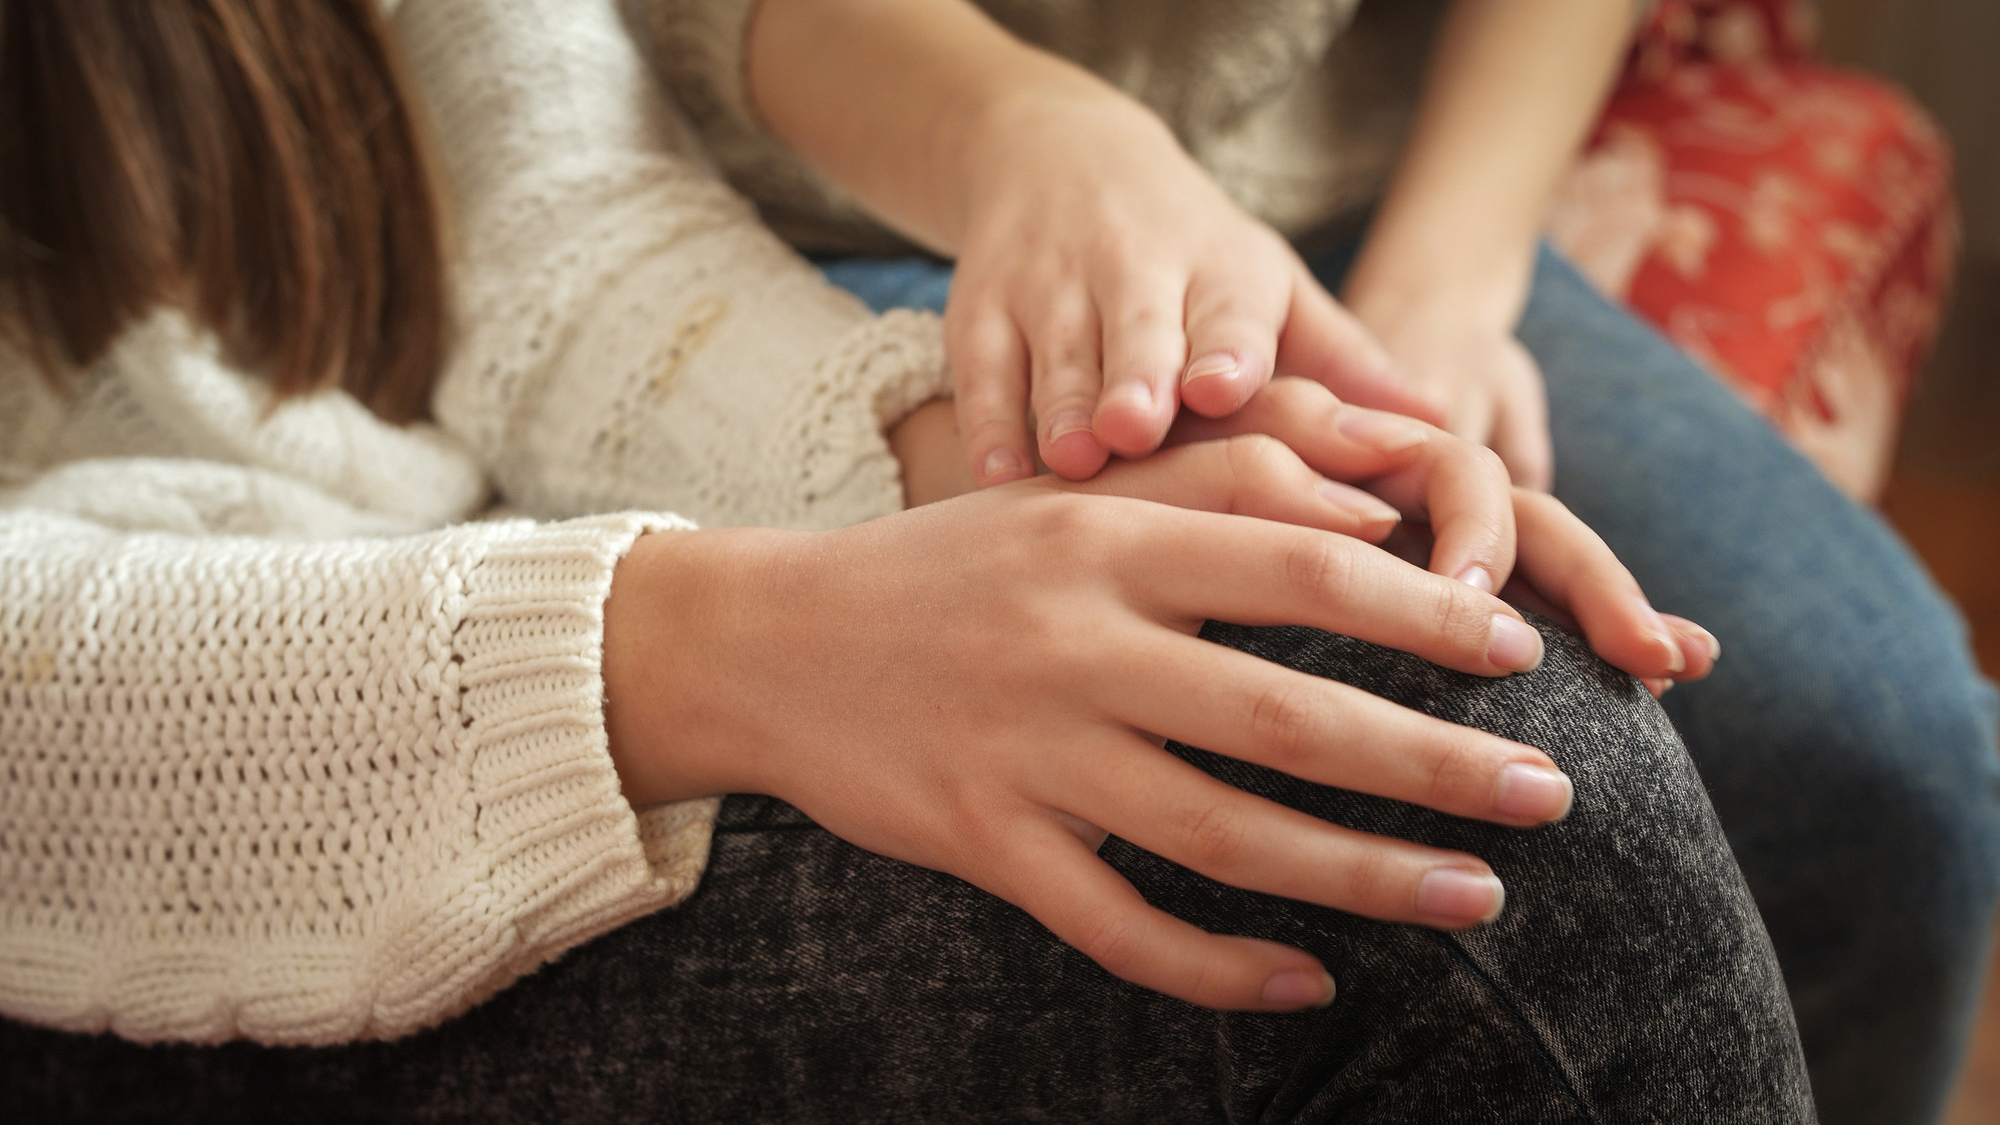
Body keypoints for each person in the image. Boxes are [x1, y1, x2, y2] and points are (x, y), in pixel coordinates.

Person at [0, 0, 1812, 1120]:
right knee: (1487, 878)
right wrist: (719, 639)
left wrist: (1022, 471)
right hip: (111, 866)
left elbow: (563, 253)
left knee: (1452, 647)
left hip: (462, 575)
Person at [623, 0, 2000, 1121]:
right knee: (1451, 745)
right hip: (846, 202)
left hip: (1375, 198)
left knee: (1891, 770)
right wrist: (1035, 128)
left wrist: (1437, 292)